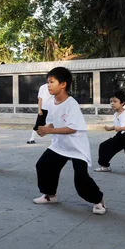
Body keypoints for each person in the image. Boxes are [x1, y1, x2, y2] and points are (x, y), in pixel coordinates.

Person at [33, 67, 106, 215]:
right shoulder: (51, 103)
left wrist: (50, 130)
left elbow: (72, 128)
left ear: (63, 84)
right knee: (43, 165)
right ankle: (50, 195)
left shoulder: (71, 103)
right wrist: (45, 129)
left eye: (52, 82)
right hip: (60, 145)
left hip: (76, 147)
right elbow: (53, 123)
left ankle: (98, 200)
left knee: (81, 179)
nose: (48, 85)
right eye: (48, 82)